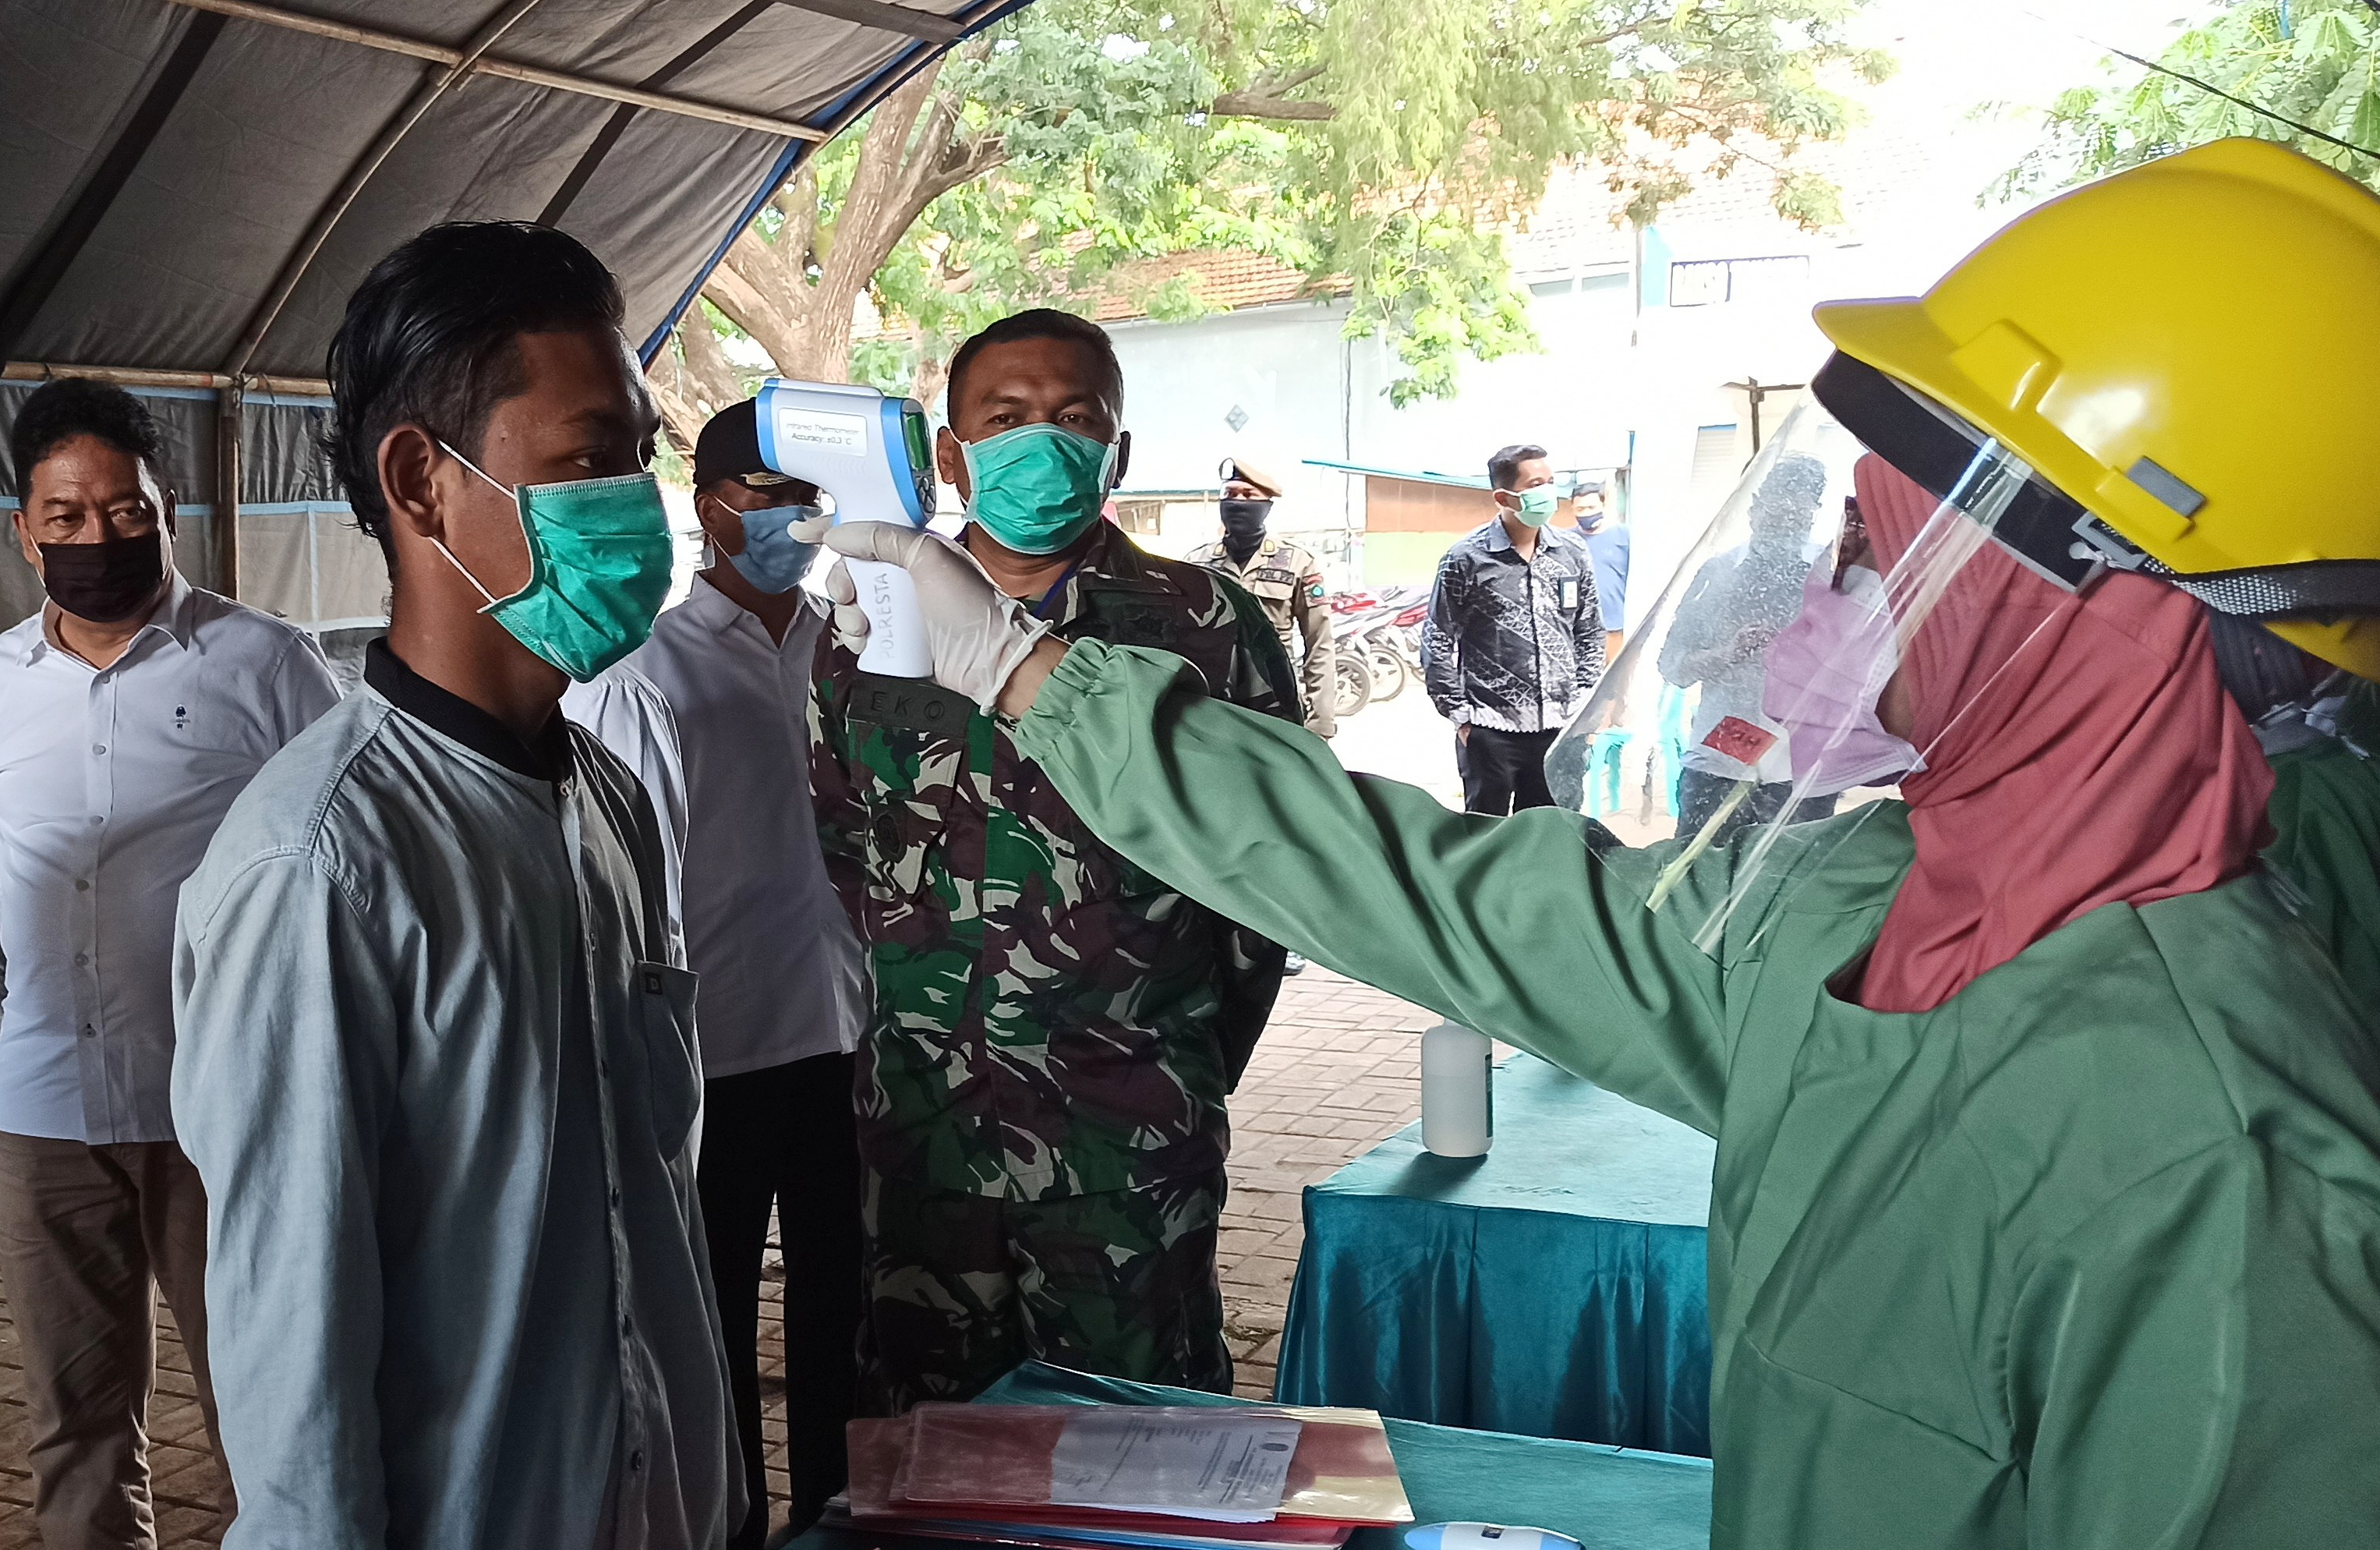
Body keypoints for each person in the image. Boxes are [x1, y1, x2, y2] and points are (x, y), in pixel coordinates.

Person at [819, 137, 2380, 1548]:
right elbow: (1416, 885)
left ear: (2120, 595)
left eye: (1921, 479)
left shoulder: (2229, 1181)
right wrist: (1027, 673)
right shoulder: (1844, 902)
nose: (1850, 520)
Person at [170, 221, 738, 1548]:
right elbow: (293, 1358)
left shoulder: (607, 801)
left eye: (638, 455)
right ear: (422, 481)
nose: (637, 506)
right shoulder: (320, 866)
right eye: (590, 459)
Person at [807, 308, 1299, 1413]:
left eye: (1075, 418)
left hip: (1124, 1141)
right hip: (925, 1140)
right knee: (929, 1452)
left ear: (1116, 451)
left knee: (1142, 1449)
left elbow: (1271, 885)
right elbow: (841, 842)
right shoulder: (869, 625)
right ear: (951, 451)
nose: (1043, 440)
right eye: (1007, 416)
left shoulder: (1201, 625)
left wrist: (1173, 1060)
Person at [0, 380, 338, 1548]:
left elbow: (347, 858)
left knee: (270, 1402)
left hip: (223, 1102)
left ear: (168, 506)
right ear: (24, 529)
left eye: (124, 511)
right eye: (67, 518)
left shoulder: (271, 665)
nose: (98, 538)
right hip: (41, 1104)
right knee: (74, 1419)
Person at [568, 396, 868, 1550]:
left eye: (810, 500)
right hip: (718, 1056)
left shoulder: (841, 654)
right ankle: (730, 1528)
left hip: (840, 1039)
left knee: (840, 1310)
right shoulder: (646, 674)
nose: (797, 521)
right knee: (715, 1318)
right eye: (773, 499)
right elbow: (633, 902)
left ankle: (841, 1520)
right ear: (712, 510)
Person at [1658, 453, 1837, 840]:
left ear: (1815, 511)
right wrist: (1726, 654)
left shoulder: (1834, 577)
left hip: (1803, 772)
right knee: (1695, 879)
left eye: (1803, 499)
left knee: (1791, 887)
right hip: (1720, 764)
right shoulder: (1717, 573)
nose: (1789, 508)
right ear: (1755, 503)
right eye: (1780, 496)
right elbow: (1672, 665)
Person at [1423, 443, 1604, 814]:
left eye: (1551, 482)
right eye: (1536, 484)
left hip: (1561, 727)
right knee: (1486, 836)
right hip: (1491, 730)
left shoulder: (1572, 552)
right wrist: (1460, 715)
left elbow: (1589, 632)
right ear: (1504, 497)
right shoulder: (1465, 559)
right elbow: (1437, 639)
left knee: (1553, 832)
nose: (1549, 493)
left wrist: (1584, 701)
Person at [1187, 456, 1336, 736]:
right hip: (1213, 706)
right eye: (1230, 495)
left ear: (1266, 505)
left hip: (1276, 703)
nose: (1238, 502)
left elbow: (1320, 645)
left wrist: (1321, 720)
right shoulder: (1197, 563)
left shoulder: (1297, 563)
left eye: (1248, 495)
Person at [1574, 483, 1630, 656]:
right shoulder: (1566, 540)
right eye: (1580, 509)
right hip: (1577, 628)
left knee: (1614, 677)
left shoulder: (1626, 537)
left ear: (1603, 505)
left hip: (1615, 626)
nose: (1586, 513)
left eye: (1591, 507)